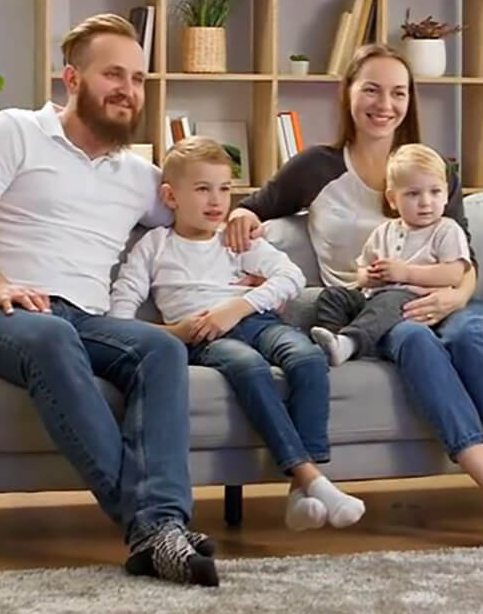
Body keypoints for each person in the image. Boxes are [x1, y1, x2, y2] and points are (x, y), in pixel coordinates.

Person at [225, 43, 483, 547]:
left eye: (398, 92)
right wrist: (241, 216)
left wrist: (455, 297)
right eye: (372, 89)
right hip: (383, 315)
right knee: (417, 343)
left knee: (470, 340)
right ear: (349, 95)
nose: (385, 104)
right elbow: (252, 206)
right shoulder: (315, 167)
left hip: (457, 302)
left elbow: (465, 260)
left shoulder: (434, 167)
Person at [0, 14, 219, 586]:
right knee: (52, 334)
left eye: (137, 79)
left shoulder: (139, 175)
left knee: (160, 351)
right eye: (114, 74)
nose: (128, 90)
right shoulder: (13, 131)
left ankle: (158, 526)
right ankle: (153, 528)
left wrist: (241, 221)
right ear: (71, 79)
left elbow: (196, 214)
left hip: (82, 317)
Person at [110, 136, 366, 532]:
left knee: (308, 358)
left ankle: (302, 492)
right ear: (170, 196)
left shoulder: (235, 238)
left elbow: (291, 277)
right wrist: (172, 333)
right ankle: (311, 480)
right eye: (202, 189)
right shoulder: (154, 247)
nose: (216, 201)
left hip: (255, 319)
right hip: (205, 335)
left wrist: (239, 306)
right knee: (248, 368)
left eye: (225, 189)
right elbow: (120, 314)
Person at [311, 143, 471, 366]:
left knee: (390, 300)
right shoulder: (384, 231)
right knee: (334, 296)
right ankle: (333, 344)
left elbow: (453, 275)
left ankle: (351, 342)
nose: (426, 202)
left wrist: (405, 273)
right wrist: (370, 276)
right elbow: (361, 272)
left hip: (416, 302)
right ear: (392, 199)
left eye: (435, 192)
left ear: (446, 194)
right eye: (413, 194)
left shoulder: (446, 230)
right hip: (374, 298)